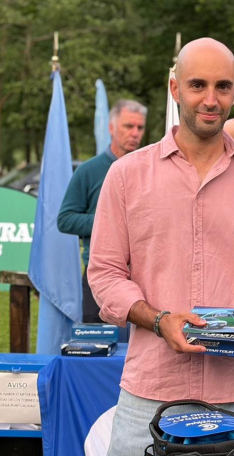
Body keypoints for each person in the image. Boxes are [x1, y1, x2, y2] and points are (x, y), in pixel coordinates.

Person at [88, 38, 234, 456]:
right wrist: (159, 319)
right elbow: (105, 273)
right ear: (174, 88)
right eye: (197, 85)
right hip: (151, 388)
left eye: (222, 87)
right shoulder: (125, 177)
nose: (210, 99)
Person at [58, 99, 147, 323]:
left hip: (145, 276)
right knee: (97, 348)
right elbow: (65, 220)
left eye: (140, 127)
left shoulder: (150, 169)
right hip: (100, 275)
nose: (135, 133)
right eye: (129, 126)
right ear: (111, 128)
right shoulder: (89, 170)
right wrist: (109, 221)